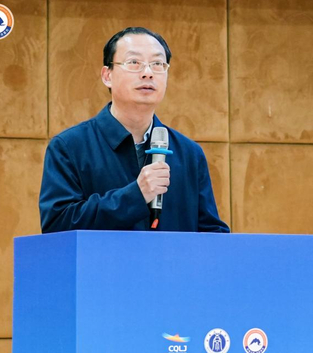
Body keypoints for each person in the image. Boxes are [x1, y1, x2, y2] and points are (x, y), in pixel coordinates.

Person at [39, 27, 229, 233]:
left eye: (157, 64)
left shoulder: (189, 153)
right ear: (107, 75)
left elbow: (211, 233)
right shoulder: (70, 147)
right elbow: (57, 225)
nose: (148, 73)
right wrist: (136, 196)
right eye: (134, 63)